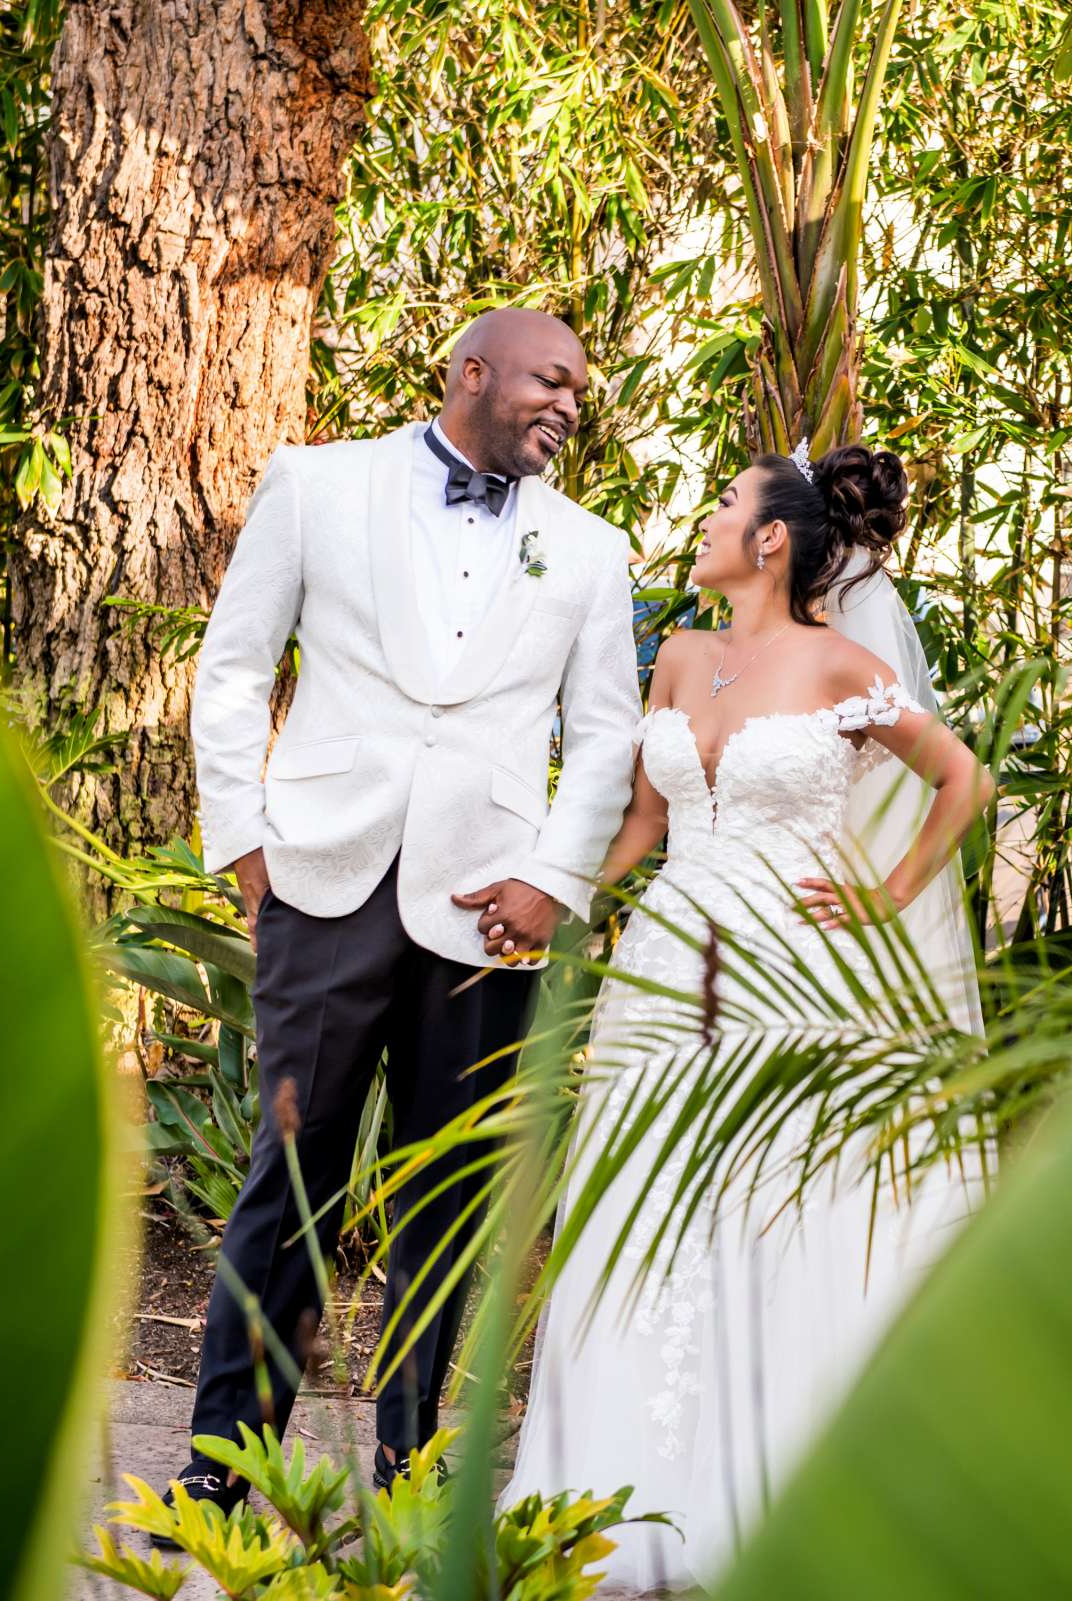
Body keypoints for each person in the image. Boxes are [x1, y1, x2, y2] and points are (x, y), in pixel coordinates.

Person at [172, 307, 640, 1526]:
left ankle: (408, 1461)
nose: (568, 405)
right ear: (472, 372)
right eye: (550, 381)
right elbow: (232, 665)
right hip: (320, 878)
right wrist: (242, 834)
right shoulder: (317, 484)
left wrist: (557, 874)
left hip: (491, 905)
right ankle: (224, 1460)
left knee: (453, 1190)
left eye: (578, 392)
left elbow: (602, 736)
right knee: (293, 1176)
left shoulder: (590, 550)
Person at [501, 440, 995, 1592]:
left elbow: (963, 778)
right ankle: (609, 1486)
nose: (709, 516)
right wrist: (556, 894)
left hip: (790, 966)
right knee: (642, 1189)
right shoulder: (676, 656)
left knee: (767, 1206)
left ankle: (760, 1488)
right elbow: (638, 822)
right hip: (669, 959)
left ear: (771, 538)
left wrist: (888, 890)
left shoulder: (840, 666)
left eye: (727, 503)